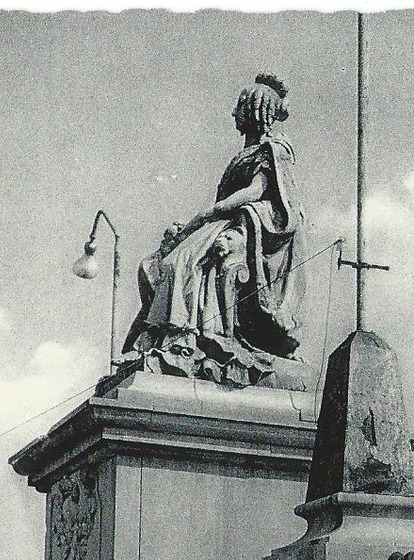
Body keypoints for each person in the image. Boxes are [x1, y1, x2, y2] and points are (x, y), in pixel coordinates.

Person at [123, 74, 305, 362]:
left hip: (243, 226)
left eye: (240, 106)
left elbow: (258, 190)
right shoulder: (243, 153)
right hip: (221, 221)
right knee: (153, 264)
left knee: (181, 261)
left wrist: (212, 211)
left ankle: (180, 335)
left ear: (256, 109)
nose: (235, 113)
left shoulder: (273, 151)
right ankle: (155, 332)